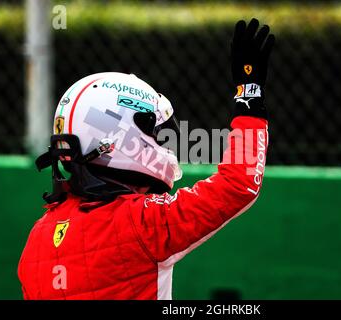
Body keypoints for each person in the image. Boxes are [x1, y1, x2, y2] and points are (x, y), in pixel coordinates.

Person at [18, 18, 275, 300]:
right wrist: (249, 96)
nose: (164, 143)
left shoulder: (38, 237)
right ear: (116, 134)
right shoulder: (141, 224)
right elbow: (239, 184)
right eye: (157, 132)